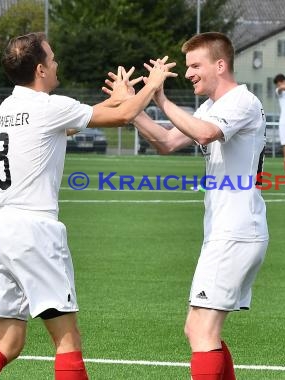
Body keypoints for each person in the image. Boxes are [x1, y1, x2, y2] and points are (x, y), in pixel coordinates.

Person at [0, 32, 176, 380]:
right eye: (53, 57)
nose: (57, 62)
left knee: (8, 342)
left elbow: (74, 121)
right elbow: (124, 117)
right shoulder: (48, 107)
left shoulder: (8, 107)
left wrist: (119, 100)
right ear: (42, 69)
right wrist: (150, 86)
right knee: (67, 340)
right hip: (35, 232)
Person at [115, 32, 269, 380]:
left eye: (195, 66)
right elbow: (168, 141)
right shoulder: (214, 106)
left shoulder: (241, 101)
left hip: (236, 230)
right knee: (199, 329)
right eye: (187, 67)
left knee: (201, 331)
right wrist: (133, 106)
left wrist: (160, 98)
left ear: (220, 64)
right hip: (227, 231)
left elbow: (202, 133)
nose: (189, 73)